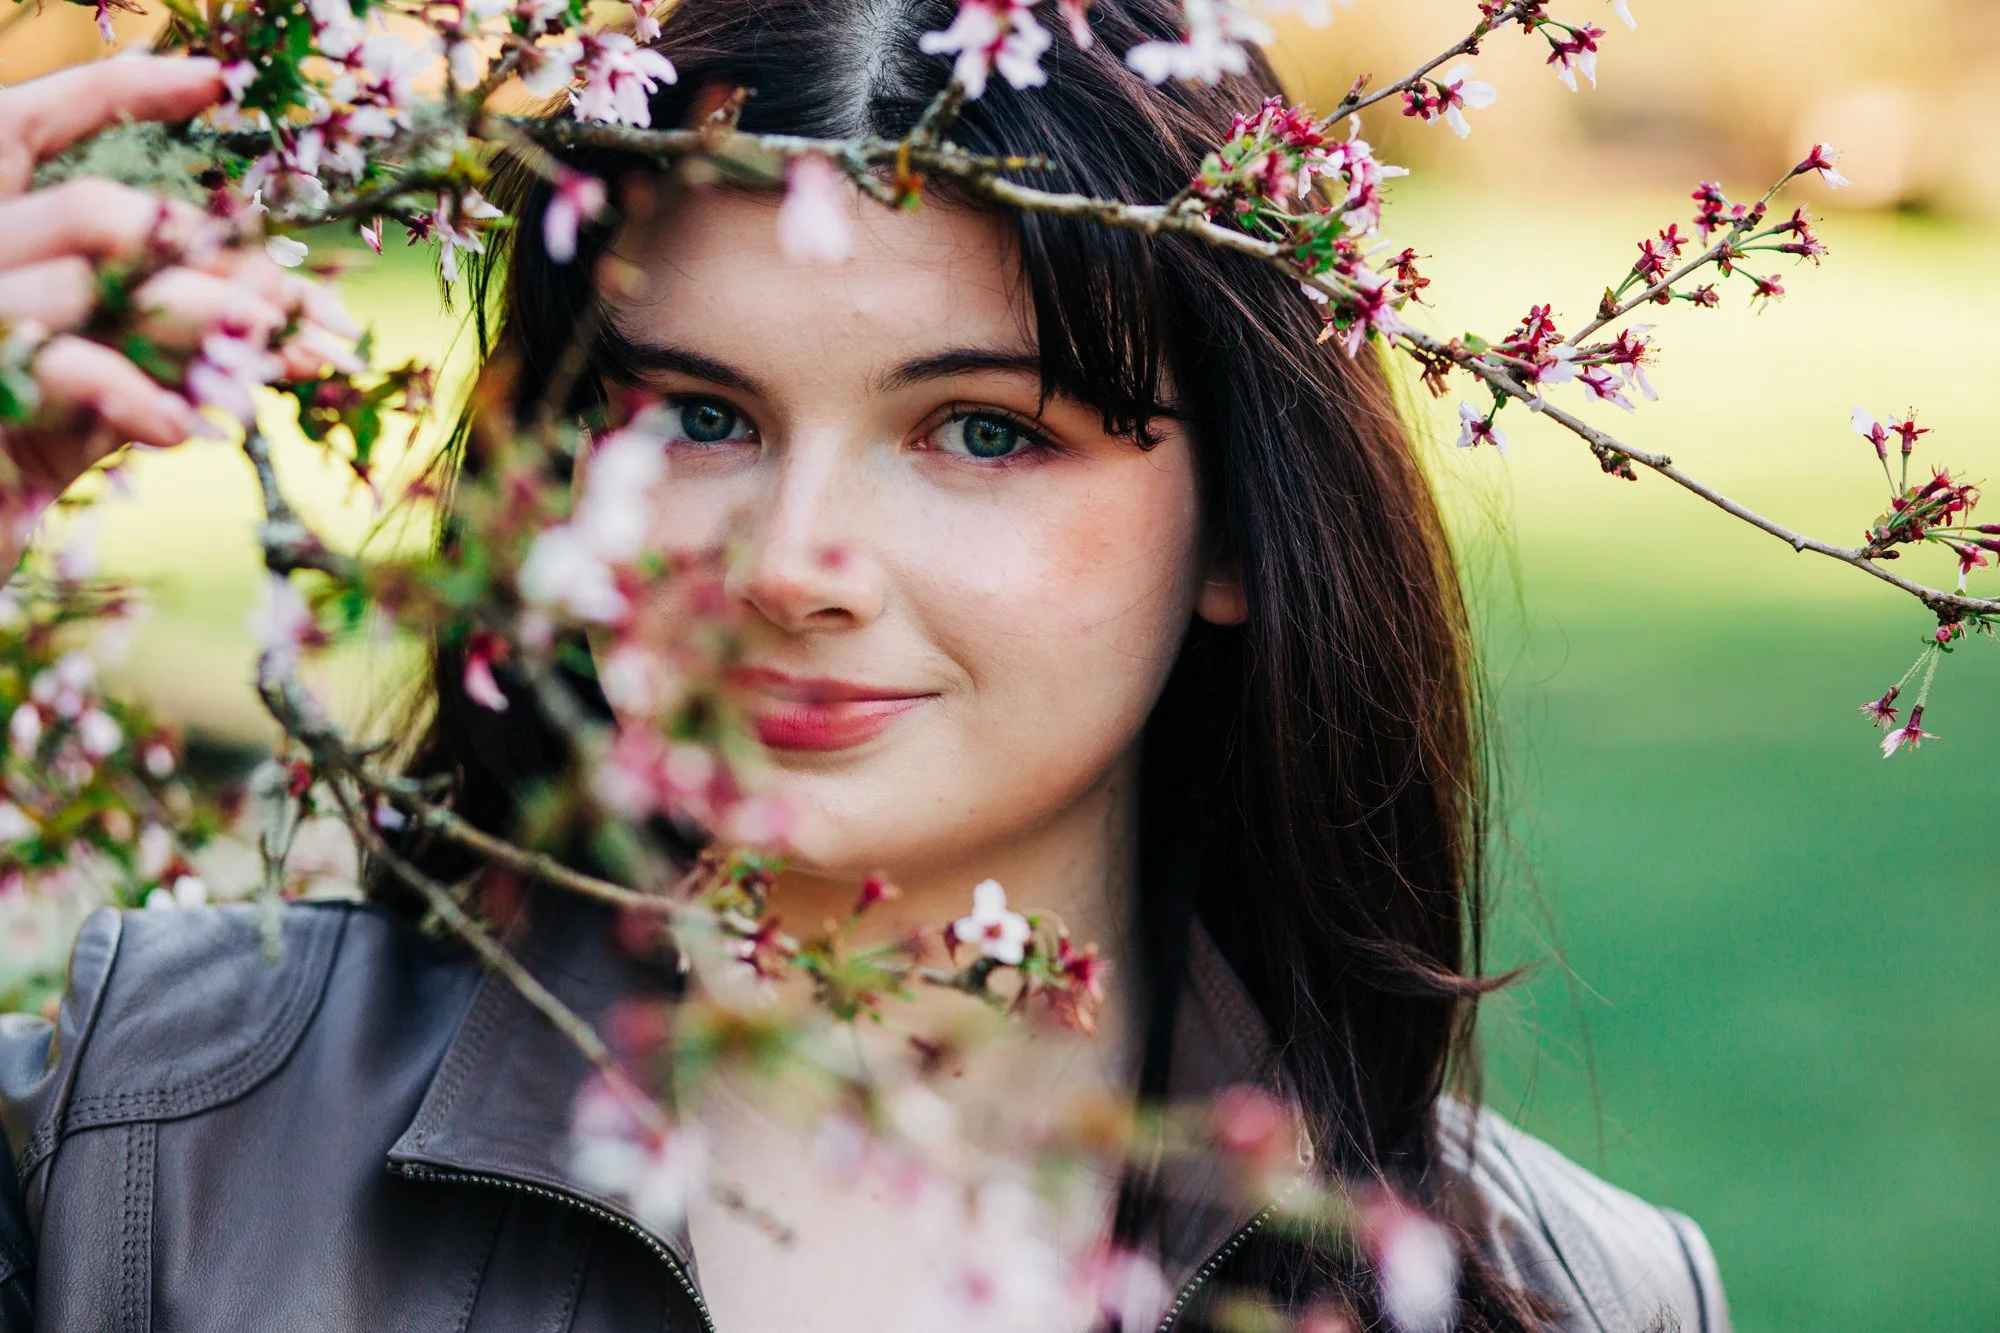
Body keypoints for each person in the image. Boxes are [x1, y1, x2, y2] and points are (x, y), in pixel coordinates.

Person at [0, 3, 1732, 1330]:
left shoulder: (1567, 1291)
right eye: (694, 415)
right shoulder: (160, 1128)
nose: (790, 568)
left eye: (980, 430)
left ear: (1233, 529)